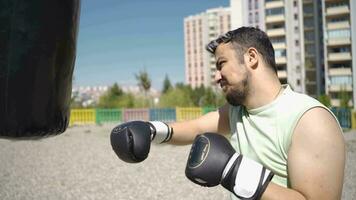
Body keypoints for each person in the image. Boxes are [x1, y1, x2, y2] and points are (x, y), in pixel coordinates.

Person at [110, 27, 345, 200]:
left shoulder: (309, 119)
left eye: (221, 63)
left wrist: (234, 171)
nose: (216, 76)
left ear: (251, 58)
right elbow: (195, 129)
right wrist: (152, 130)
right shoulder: (238, 112)